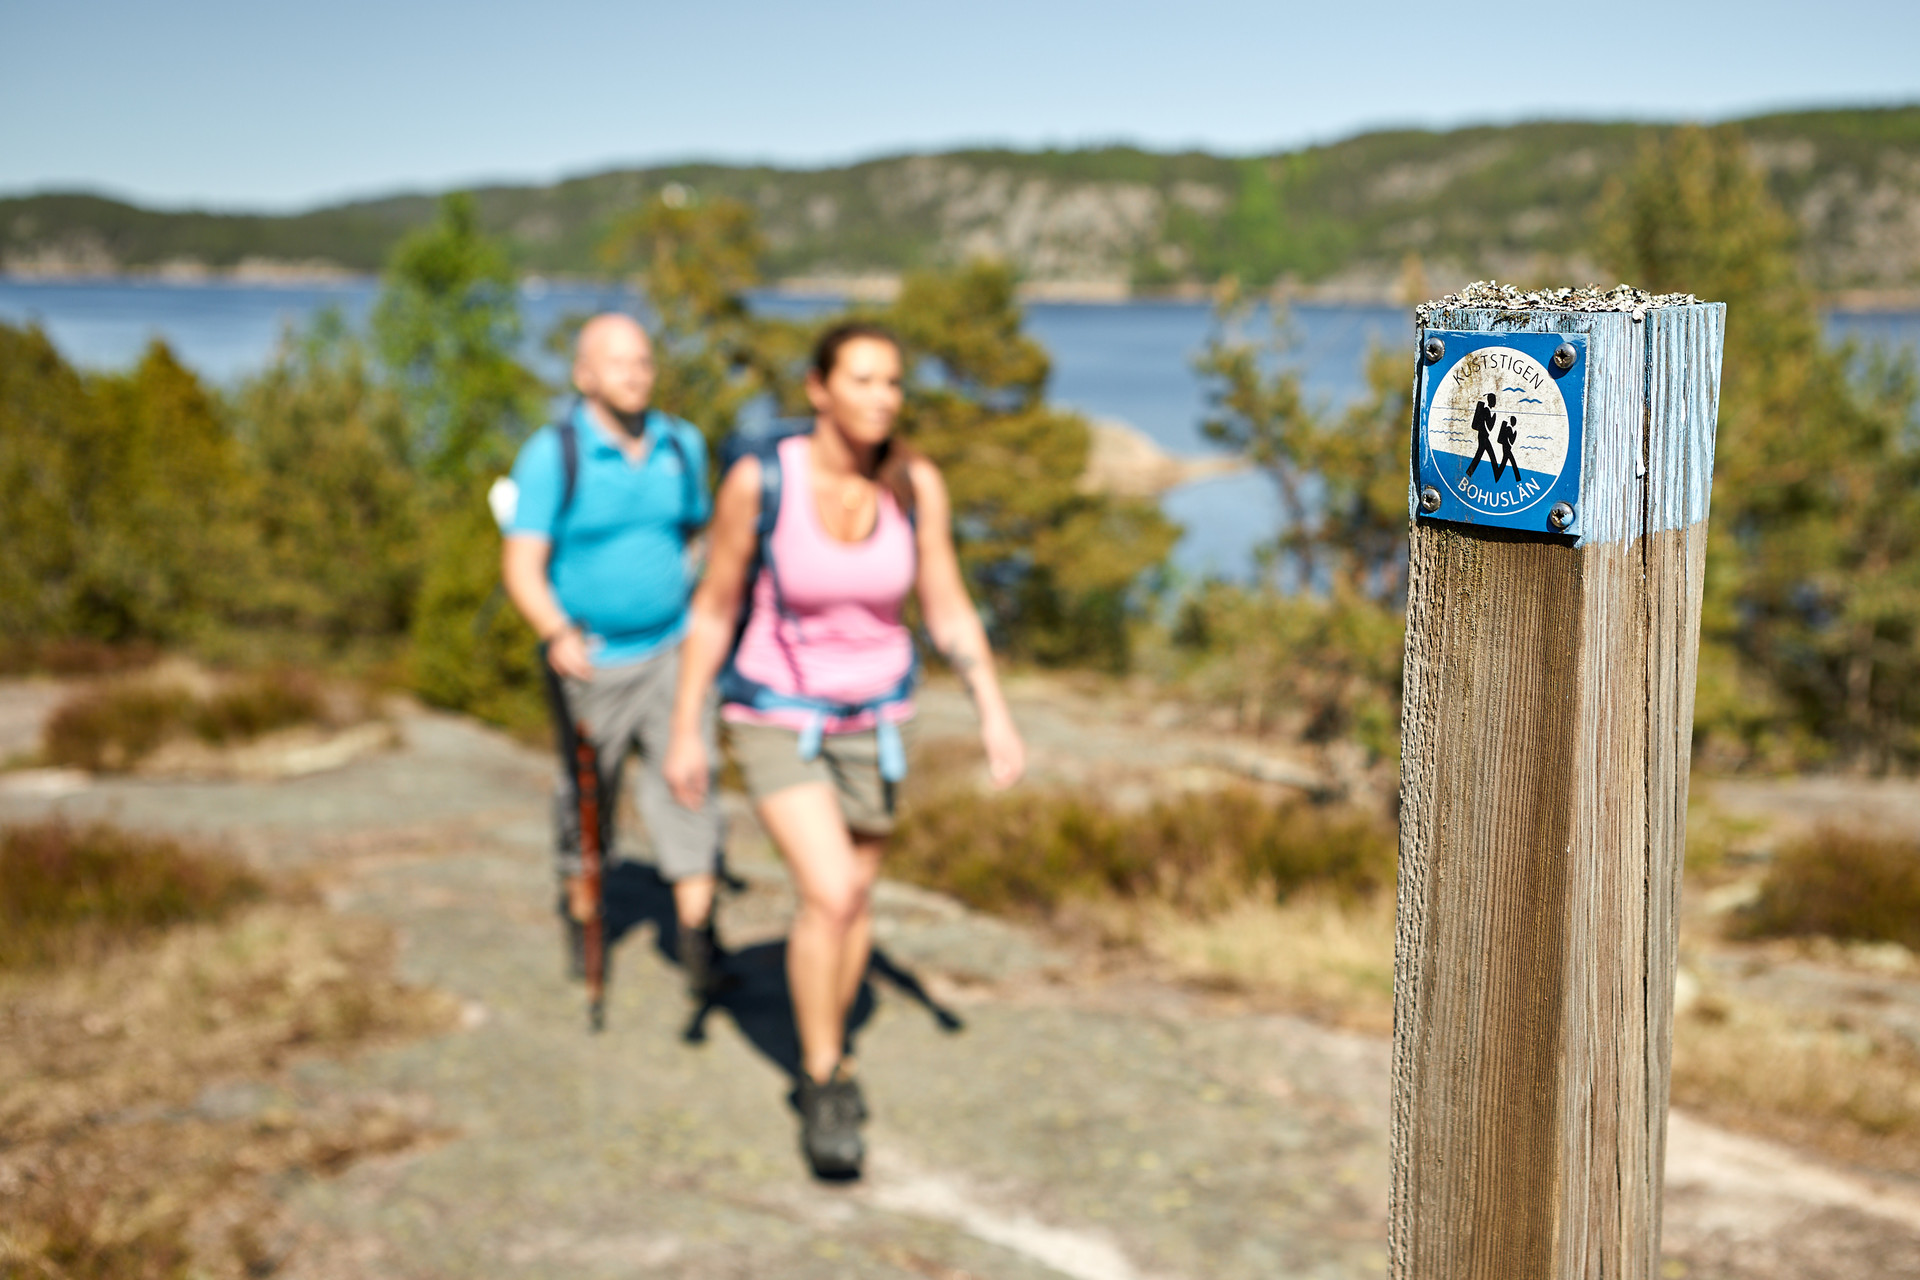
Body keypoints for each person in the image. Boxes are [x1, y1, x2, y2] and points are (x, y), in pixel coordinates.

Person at [664, 322, 1025, 1178]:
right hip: (777, 715)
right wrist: (687, 725)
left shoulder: (913, 483)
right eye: (861, 380)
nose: (880, 397)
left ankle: (831, 1040)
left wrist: (993, 710)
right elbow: (714, 608)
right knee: (827, 893)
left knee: (856, 899)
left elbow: (946, 605)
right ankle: (824, 1076)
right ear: (818, 389)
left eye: (892, 382)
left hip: (879, 724)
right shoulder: (762, 483)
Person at [501, 313, 726, 1002]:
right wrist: (556, 631)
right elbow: (522, 562)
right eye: (619, 362)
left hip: (674, 652)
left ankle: (700, 945)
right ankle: (584, 912)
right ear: (584, 375)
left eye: (644, 361)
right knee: (587, 800)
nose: (636, 374)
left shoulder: (681, 445)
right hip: (591, 663)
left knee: (690, 782)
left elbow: (701, 534)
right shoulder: (553, 455)